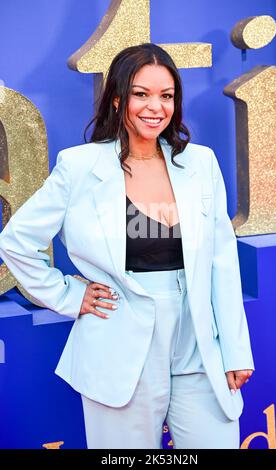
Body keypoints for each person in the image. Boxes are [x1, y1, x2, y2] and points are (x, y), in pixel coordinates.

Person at [0, 43, 254, 449]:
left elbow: (222, 264)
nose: (156, 106)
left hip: (198, 343)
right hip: (119, 342)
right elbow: (16, 241)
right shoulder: (80, 167)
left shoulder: (201, 163)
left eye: (166, 95)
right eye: (141, 94)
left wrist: (236, 349)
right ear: (118, 98)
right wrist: (69, 294)